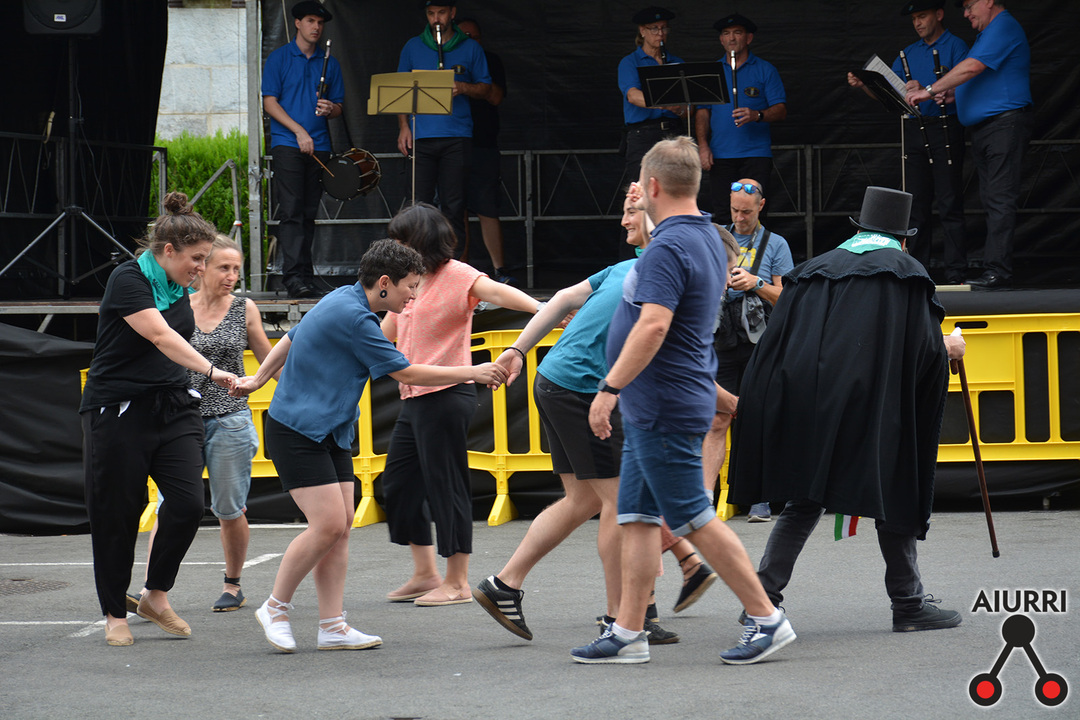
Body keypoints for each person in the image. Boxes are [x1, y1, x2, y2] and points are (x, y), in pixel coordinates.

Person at [472, 185, 730, 645]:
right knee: (621, 504)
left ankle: (504, 584)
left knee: (584, 500)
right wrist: (732, 404)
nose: (724, 281)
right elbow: (673, 358)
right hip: (579, 389)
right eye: (724, 271)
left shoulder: (630, 267)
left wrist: (518, 350)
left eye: (632, 212)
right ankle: (622, 618)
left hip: (554, 379)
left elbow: (561, 299)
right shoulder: (664, 278)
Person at [573, 137, 795, 665]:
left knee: (693, 516)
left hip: (663, 403)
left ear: (653, 186)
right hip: (663, 400)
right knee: (637, 516)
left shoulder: (670, 247)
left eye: (640, 188)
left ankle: (768, 618)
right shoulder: (703, 237)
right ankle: (628, 631)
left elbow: (653, 325)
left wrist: (609, 389)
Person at [232, 239, 508, 653]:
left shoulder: (340, 298)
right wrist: (473, 372)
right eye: (410, 286)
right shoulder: (355, 318)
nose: (413, 296)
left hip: (331, 430)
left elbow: (291, 337)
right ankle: (275, 607)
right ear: (384, 283)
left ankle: (332, 626)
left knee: (341, 528)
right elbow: (406, 372)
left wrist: (257, 379)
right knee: (328, 525)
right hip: (298, 432)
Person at [729, 186, 965, 633]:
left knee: (805, 497)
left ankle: (762, 600)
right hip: (869, 403)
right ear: (903, 238)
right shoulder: (904, 271)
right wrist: (948, 347)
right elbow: (920, 348)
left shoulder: (812, 269)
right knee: (895, 489)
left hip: (806, 398)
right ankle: (908, 605)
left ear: (860, 229)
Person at [80, 192, 238, 647]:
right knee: (118, 515)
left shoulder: (178, 285)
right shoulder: (128, 279)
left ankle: (155, 594)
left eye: (205, 259)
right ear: (168, 251)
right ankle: (115, 613)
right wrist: (213, 371)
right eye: (197, 259)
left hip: (173, 405)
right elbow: (160, 335)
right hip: (119, 410)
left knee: (187, 505)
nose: (201, 268)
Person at [380, 203, 543, 607]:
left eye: (401, 239)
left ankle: (457, 582)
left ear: (420, 239)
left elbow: (499, 292)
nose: (395, 246)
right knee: (398, 484)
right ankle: (425, 573)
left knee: (446, 485)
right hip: (413, 396)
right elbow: (385, 331)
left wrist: (544, 311)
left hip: (447, 394)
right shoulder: (409, 282)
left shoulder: (456, 274)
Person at [905, 0, 1032, 289]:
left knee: (999, 198)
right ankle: (995, 268)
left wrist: (930, 90)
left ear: (988, 1)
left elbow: (972, 68)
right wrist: (954, 95)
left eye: (969, 6)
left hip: (1004, 124)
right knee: (992, 198)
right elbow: (983, 77)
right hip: (989, 127)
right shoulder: (986, 34)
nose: (966, 14)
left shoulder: (1003, 26)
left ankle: (998, 271)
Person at [848, 1, 968, 283]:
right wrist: (866, 85)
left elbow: (967, 84)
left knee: (949, 201)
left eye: (922, 16)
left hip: (944, 126)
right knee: (916, 205)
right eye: (914, 18)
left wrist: (930, 89)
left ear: (939, 14)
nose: (917, 23)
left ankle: (956, 272)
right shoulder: (909, 52)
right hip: (914, 128)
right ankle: (918, 270)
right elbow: (890, 93)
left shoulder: (956, 46)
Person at [187, 235, 274, 611]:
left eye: (237, 269)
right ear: (201, 267)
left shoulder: (243, 308)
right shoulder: (177, 305)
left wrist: (298, 395)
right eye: (224, 267)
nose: (232, 276)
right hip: (183, 420)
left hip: (230, 420)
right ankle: (152, 587)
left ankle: (233, 584)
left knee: (228, 508)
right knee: (171, 504)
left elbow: (269, 359)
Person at [703, 178, 793, 523]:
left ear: (761, 206)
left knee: (758, 418)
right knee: (717, 419)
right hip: (721, 341)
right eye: (734, 211)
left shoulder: (776, 244)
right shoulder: (715, 237)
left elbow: (788, 299)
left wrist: (757, 283)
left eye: (746, 212)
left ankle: (760, 497)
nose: (739, 218)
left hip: (760, 344)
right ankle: (705, 498)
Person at [262, 1, 343, 299]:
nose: (316, 27)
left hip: (319, 145)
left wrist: (331, 108)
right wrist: (299, 131)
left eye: (320, 23)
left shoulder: (329, 62)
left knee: (309, 213)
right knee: (292, 211)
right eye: (310, 21)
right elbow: (269, 102)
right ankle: (293, 278)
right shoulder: (279, 58)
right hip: (288, 143)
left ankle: (305, 277)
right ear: (297, 23)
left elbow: (339, 106)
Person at [397, 1, 491, 249]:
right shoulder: (412, 46)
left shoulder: (470, 47)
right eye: (431, 13)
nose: (436, 18)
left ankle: (451, 265)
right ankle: (418, 263)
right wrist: (404, 127)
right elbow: (398, 90)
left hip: (457, 135)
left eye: (441, 12)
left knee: (454, 205)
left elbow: (486, 88)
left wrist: (462, 87)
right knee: (418, 205)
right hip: (421, 135)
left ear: (452, 13)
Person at [695, 14, 786, 216]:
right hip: (720, 155)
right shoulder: (711, 72)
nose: (732, 38)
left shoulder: (765, 69)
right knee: (723, 213)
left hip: (756, 155)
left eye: (737, 32)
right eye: (726, 33)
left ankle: (756, 240)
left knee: (755, 212)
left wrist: (757, 115)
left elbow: (780, 110)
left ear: (749, 38)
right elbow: (702, 112)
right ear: (721, 39)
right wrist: (703, 145)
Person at [457, 17, 513, 285]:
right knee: (456, 209)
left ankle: (500, 270)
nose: (469, 41)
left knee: (487, 207)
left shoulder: (490, 60)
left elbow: (496, 96)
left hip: (484, 142)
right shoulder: (447, 60)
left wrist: (470, 84)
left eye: (474, 37)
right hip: (455, 142)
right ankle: (459, 270)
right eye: (464, 36)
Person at [618, 7, 688, 184]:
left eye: (664, 28)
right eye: (654, 29)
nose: (660, 33)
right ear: (642, 31)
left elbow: (689, 107)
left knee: (676, 187)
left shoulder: (676, 62)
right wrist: (664, 102)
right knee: (643, 189)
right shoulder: (630, 62)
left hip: (673, 132)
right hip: (643, 135)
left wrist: (680, 109)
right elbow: (633, 96)